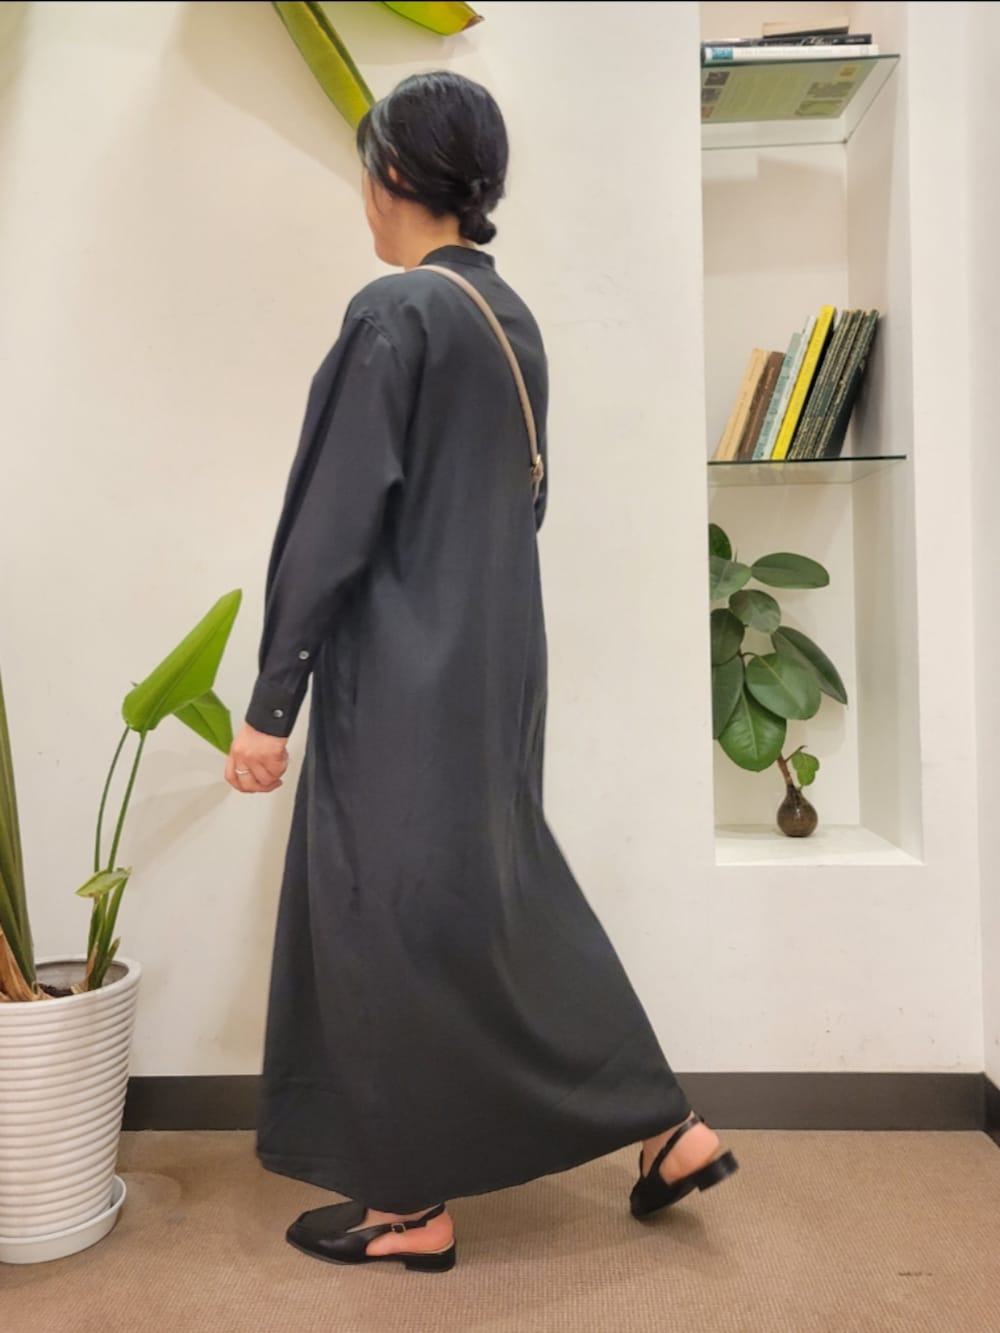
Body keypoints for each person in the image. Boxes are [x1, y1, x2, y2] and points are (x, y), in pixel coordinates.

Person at [225, 70, 737, 1273]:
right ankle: (667, 1124)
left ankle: (411, 1208)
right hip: (497, 665)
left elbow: (331, 522)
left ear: (395, 175)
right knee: (497, 901)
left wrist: (270, 704)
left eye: (367, 167)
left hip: (400, 679)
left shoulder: (393, 312)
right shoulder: (509, 320)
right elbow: (524, 506)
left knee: (382, 919)